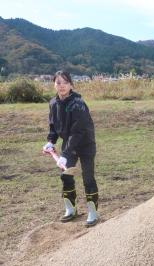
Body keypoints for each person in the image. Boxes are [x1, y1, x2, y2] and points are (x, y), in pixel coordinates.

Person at [42, 70, 98, 227]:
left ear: (71, 85)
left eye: (65, 82)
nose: (61, 86)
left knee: (88, 177)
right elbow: (53, 127)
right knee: (66, 176)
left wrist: (65, 154)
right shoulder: (53, 103)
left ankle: (93, 212)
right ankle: (71, 209)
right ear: (54, 84)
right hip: (69, 144)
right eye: (58, 82)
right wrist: (51, 141)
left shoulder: (78, 103)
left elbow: (78, 131)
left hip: (85, 143)